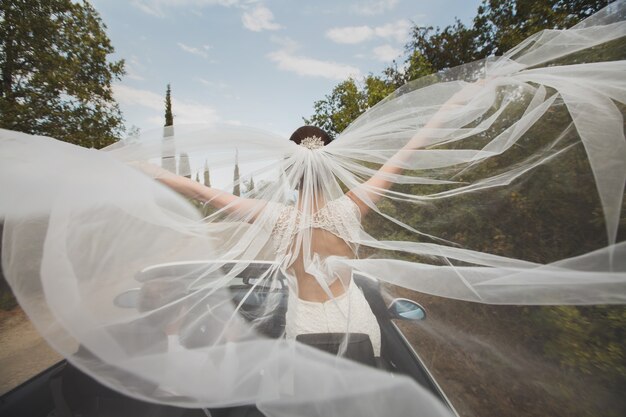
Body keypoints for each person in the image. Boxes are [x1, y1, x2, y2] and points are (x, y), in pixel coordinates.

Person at [1, 3, 625, 416]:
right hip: (361, 324)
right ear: (331, 160)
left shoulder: (275, 218)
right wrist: (455, 102)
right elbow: (411, 146)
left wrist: (135, 168)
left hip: (306, 334)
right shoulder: (358, 204)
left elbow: (200, 191)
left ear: (291, 171)